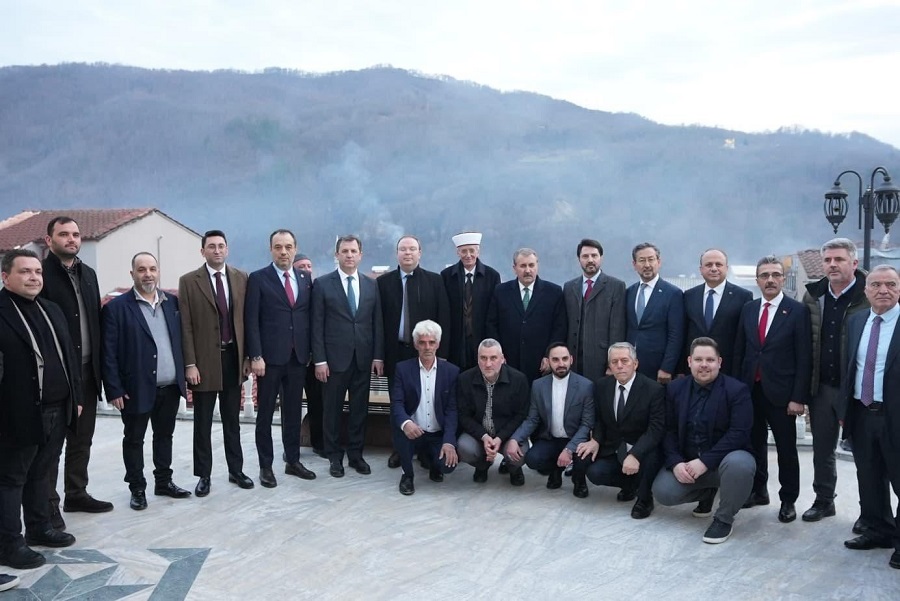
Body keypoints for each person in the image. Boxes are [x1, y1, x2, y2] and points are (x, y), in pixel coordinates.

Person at [0, 249, 80, 569]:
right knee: (11, 478)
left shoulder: (51, 309)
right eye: (25, 272)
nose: (34, 277)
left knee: (41, 472)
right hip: (17, 412)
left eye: (37, 271)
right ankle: (9, 544)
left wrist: (75, 397)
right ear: (5, 277)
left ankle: (39, 527)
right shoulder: (2, 311)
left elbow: (68, 356)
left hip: (58, 408)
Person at [102, 252, 191, 511]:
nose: (148, 274)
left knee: (164, 436)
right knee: (134, 439)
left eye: (152, 269)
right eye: (142, 270)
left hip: (170, 387)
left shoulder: (172, 304)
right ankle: (137, 489)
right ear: (132, 274)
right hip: (135, 389)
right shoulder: (116, 309)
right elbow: (108, 353)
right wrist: (114, 389)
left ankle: (163, 482)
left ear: (158, 271)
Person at [39, 216, 112, 527]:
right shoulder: (41, 274)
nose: (71, 239)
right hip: (57, 373)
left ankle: (76, 493)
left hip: (87, 372)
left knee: (82, 439)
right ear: (49, 240)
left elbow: (95, 321)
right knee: (52, 444)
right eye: (64, 234)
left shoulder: (89, 274)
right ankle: (47, 506)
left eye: (76, 234)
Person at [652, 337, 755, 544]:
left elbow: (739, 433)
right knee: (663, 492)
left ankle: (724, 518)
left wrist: (705, 461)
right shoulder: (674, 389)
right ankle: (706, 493)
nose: (704, 365)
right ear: (689, 362)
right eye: (699, 360)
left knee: (741, 465)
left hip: (724, 463)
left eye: (710, 360)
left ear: (719, 362)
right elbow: (668, 430)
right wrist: (676, 463)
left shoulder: (737, 391)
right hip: (690, 463)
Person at [734, 256, 811, 523]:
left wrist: (798, 397)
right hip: (750, 391)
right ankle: (759, 491)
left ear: (783, 279)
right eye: (764, 275)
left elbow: (804, 357)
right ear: (757, 280)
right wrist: (737, 391)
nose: (770, 280)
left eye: (775, 275)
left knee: (786, 449)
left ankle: (788, 500)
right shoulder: (748, 309)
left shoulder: (797, 311)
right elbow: (740, 351)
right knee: (753, 444)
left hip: (782, 394)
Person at [178, 229, 254, 497]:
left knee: (232, 420)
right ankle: (204, 475)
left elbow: (247, 320)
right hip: (204, 362)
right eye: (211, 246)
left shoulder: (241, 278)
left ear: (227, 249)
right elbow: (185, 325)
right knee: (203, 423)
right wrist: (190, 363)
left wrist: (248, 356)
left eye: (221, 246)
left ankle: (236, 470)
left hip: (233, 357)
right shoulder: (189, 281)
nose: (217, 250)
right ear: (203, 252)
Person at [801, 238, 871, 526]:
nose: (832, 264)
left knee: (865, 453)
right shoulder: (812, 296)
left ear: (854, 263)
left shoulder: (868, 295)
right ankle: (824, 500)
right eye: (828, 260)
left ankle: (870, 513)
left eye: (839, 259)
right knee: (822, 450)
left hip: (857, 390)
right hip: (823, 388)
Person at [245, 229, 316, 488]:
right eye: (278, 247)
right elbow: (251, 320)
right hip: (269, 360)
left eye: (288, 247)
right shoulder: (258, 278)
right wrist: (256, 355)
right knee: (265, 414)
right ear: (271, 250)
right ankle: (266, 466)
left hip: (298, 358)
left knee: (293, 412)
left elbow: (308, 317)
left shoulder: (305, 278)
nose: (283, 252)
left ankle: (293, 461)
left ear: (295, 249)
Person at [840, 265, 900, 570]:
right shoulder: (856, 321)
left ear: (899, 289)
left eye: (891, 284)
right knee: (869, 478)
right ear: (866, 290)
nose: (883, 290)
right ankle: (879, 531)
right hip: (862, 413)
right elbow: (849, 366)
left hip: (896, 415)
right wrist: (844, 410)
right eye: (876, 284)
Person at [312, 235, 384, 478]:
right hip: (333, 362)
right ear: (337, 255)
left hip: (363, 359)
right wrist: (320, 360)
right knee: (331, 411)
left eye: (353, 251)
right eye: (345, 251)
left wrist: (378, 356)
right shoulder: (322, 284)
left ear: (360, 255)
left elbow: (377, 323)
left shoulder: (371, 285)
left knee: (359, 410)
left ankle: (356, 455)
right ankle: (334, 457)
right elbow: (317, 325)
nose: (349, 255)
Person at [377, 235, 450, 468]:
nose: (407, 253)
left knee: (427, 400)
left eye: (412, 249)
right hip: (394, 352)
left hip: (425, 353)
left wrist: (441, 353)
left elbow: (444, 318)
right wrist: (378, 355)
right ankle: (400, 449)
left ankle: (425, 448)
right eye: (403, 249)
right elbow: (378, 322)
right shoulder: (383, 283)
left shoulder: (434, 281)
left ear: (420, 252)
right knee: (398, 403)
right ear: (396, 253)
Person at [572, 342, 664, 519]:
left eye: (624, 361)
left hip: (643, 446)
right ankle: (629, 486)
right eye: (614, 362)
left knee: (650, 460)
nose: (619, 366)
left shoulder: (653, 389)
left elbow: (655, 429)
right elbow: (600, 419)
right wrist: (596, 440)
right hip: (615, 445)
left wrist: (635, 454)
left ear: (635, 364)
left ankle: (645, 499)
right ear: (610, 366)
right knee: (595, 472)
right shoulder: (602, 386)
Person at [506, 343, 594, 491]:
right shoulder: (538, 385)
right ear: (548, 361)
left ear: (571, 359)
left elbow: (587, 424)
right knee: (532, 459)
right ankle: (555, 471)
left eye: (564, 359)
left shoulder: (586, 386)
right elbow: (532, 419)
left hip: (576, 440)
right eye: (555, 359)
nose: (561, 364)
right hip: (551, 438)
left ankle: (579, 479)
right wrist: (515, 439)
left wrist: (569, 450)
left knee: (583, 457)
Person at [390, 320, 460, 495]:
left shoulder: (451, 372)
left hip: (437, 433)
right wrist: (406, 423)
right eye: (422, 342)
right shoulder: (403, 369)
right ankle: (407, 475)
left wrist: (449, 441)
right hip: (414, 431)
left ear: (438, 344)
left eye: (431, 342)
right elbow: (397, 403)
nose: (427, 347)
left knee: (447, 466)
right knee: (401, 429)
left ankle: (432, 463)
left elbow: (452, 410)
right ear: (415, 345)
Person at [487, 248, 567, 383]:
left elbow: (559, 327)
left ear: (537, 266)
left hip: (541, 365)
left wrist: (549, 355)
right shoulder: (501, 291)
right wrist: (498, 355)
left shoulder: (554, 292)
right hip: (508, 363)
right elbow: (491, 325)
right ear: (514, 268)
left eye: (531, 265)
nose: (528, 270)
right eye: (523, 266)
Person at [457, 339, 530, 485]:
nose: (488, 364)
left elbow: (521, 415)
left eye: (493, 358)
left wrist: (500, 438)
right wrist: (483, 436)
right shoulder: (465, 379)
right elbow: (463, 415)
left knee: (520, 453)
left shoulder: (518, 379)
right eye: (483, 358)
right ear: (477, 359)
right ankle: (482, 466)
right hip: (479, 434)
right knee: (464, 447)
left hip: (507, 434)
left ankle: (513, 468)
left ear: (502, 359)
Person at [563, 238, 626, 382]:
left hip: (601, 360)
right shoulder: (569, 287)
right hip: (573, 360)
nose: (590, 260)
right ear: (579, 259)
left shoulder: (616, 286)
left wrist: (612, 363)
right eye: (585, 256)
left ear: (601, 258)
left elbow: (617, 328)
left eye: (594, 255)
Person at [682, 248, 752, 376]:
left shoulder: (743, 297)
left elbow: (744, 338)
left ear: (727, 268)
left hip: (729, 370)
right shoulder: (689, 295)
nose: (714, 268)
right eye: (709, 265)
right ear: (701, 269)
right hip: (695, 371)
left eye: (718, 264)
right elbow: (683, 333)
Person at [441, 232, 500, 372]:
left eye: (472, 251)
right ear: (457, 253)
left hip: (482, 340)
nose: (468, 255)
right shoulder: (447, 276)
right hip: (455, 342)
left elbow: (495, 313)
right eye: (464, 251)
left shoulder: (492, 276)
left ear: (478, 251)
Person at [625, 243, 684, 384]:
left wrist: (667, 367)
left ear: (659, 262)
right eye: (642, 260)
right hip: (630, 366)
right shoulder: (629, 292)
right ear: (634, 264)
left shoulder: (673, 293)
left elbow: (676, 334)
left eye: (651, 259)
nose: (647, 265)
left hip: (658, 368)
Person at [294, 254, 325, 456]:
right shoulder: (290, 290)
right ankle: (291, 446)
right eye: (301, 266)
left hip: (315, 360)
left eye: (309, 265)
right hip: (293, 358)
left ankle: (319, 443)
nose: (306, 269)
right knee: (291, 405)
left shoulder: (318, 289)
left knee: (318, 403)